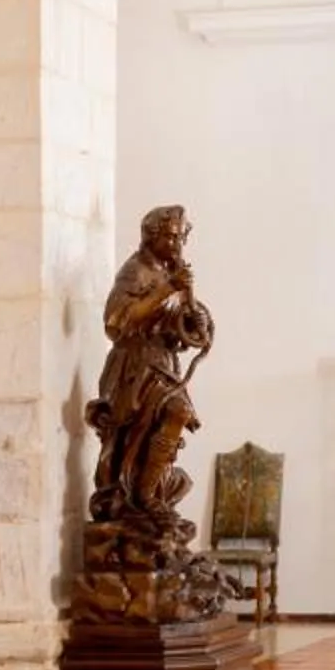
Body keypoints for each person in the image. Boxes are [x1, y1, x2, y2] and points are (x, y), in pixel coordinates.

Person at [86, 205, 214, 535]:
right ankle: (143, 496)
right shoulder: (137, 271)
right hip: (135, 366)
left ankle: (150, 492)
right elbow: (118, 321)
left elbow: (178, 326)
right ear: (152, 236)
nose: (177, 245)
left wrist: (194, 321)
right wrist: (167, 289)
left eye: (181, 237)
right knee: (174, 412)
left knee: (173, 417)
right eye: (171, 238)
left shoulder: (169, 270)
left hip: (163, 361)